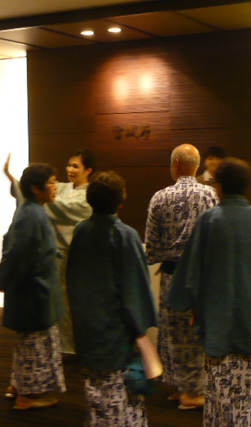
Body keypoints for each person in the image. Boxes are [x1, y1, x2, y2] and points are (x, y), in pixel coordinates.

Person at [168, 158, 251, 426]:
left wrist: (183, 302)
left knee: (220, 386)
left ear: (220, 186)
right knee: (249, 385)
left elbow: (191, 273)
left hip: (218, 321)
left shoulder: (209, 221)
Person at [67, 171, 158, 427]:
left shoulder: (81, 231)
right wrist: (141, 331)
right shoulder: (125, 235)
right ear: (121, 201)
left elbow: (72, 279)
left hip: (87, 328)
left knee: (96, 395)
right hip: (116, 335)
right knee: (120, 399)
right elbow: (135, 290)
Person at [145, 143, 218, 409]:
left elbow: (151, 247)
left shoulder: (159, 197)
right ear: (196, 166)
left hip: (172, 275)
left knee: (172, 332)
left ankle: (181, 388)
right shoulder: (210, 195)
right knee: (196, 333)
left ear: (176, 164)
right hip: (201, 277)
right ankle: (193, 390)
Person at [5, 148, 95, 354]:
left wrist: (37, 194)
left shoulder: (87, 195)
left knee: (67, 299)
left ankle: (69, 346)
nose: (70, 169)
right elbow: (40, 194)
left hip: (72, 253)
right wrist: (14, 179)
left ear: (88, 170)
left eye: (76, 166)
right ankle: (60, 345)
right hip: (53, 252)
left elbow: (56, 205)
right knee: (55, 299)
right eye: (69, 165)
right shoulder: (62, 187)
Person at [0, 163, 66, 410]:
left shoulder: (30, 210)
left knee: (29, 344)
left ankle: (18, 386)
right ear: (36, 188)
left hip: (34, 290)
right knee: (34, 345)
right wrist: (3, 279)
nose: (56, 187)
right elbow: (18, 254)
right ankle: (27, 396)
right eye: (52, 182)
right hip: (35, 293)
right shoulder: (33, 214)